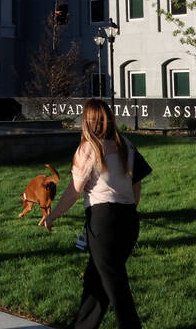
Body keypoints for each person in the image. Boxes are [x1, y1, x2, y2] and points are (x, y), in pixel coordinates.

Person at [43, 99, 144, 329]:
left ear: (87, 121)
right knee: (96, 280)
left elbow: (73, 191)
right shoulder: (125, 144)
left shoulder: (88, 148)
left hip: (103, 222)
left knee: (116, 286)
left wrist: (52, 215)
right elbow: (137, 182)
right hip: (128, 220)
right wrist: (130, 208)